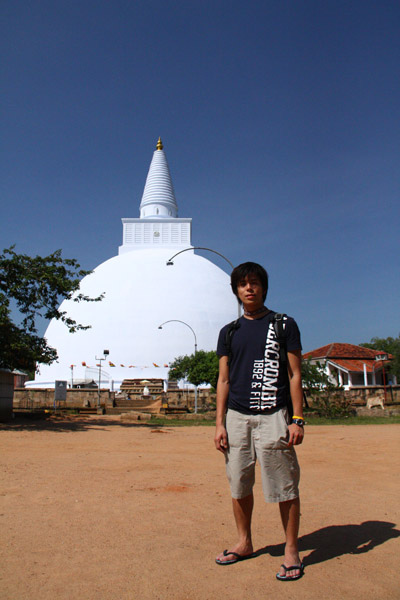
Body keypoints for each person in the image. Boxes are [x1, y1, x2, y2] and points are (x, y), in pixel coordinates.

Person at [214, 262, 305, 581]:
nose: (249, 288)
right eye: (242, 284)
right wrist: (219, 424)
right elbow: (223, 380)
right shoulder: (230, 331)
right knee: (239, 483)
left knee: (284, 484)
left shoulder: (283, 324)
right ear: (236, 290)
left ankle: (291, 549)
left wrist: (297, 418)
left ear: (263, 287)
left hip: (273, 416)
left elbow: (295, 374)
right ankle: (245, 541)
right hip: (237, 417)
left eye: (254, 283)